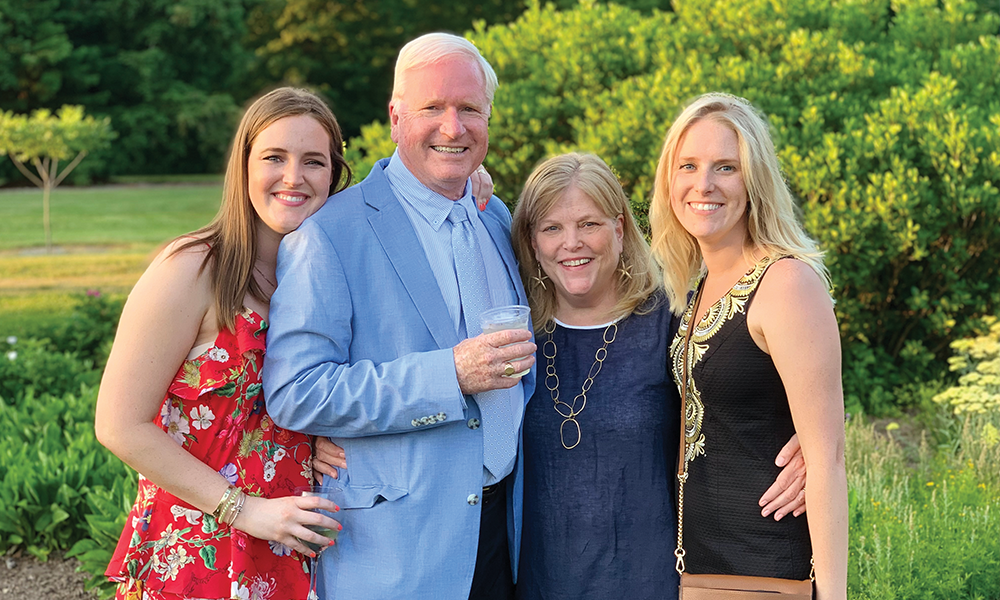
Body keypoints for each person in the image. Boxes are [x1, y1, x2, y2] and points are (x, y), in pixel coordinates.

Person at [262, 33, 535, 600]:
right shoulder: (330, 235)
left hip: (501, 536)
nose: (453, 127)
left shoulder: (494, 217)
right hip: (394, 551)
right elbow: (296, 392)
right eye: (433, 108)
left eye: (470, 110)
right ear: (395, 116)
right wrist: (448, 376)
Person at [505, 152, 812, 600]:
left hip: (655, 583)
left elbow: (762, 385)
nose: (572, 243)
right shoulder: (516, 339)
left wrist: (812, 442)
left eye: (589, 224)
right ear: (532, 243)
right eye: (552, 228)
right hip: (539, 584)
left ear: (619, 228)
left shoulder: (673, 317)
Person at [95, 87, 351, 600]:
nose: (293, 177)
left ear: (335, 176)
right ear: (243, 166)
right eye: (274, 157)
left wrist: (467, 183)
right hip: (200, 550)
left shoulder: (329, 275)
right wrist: (246, 510)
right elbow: (119, 425)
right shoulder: (193, 267)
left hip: (296, 548)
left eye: (314, 161)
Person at [649, 93, 847, 599]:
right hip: (699, 573)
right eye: (688, 165)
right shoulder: (694, 290)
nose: (704, 184)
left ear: (754, 180)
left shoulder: (787, 284)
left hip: (769, 575)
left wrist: (833, 594)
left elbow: (827, 460)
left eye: (726, 167)